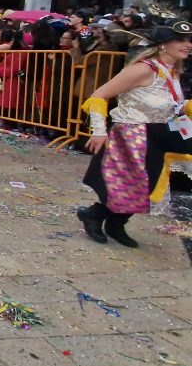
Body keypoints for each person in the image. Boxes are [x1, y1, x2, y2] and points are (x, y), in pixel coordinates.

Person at [78, 22, 192, 247]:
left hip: (158, 135)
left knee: (146, 186)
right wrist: (99, 131)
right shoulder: (142, 69)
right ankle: (94, 215)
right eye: (180, 40)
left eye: (189, 40)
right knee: (126, 184)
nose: (188, 45)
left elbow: (171, 106)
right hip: (131, 136)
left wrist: (186, 107)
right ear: (162, 45)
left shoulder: (173, 71)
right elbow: (99, 95)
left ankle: (116, 224)